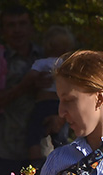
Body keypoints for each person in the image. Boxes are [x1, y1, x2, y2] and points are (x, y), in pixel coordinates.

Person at [0, 4, 44, 175]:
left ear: (31, 27)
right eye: (11, 25)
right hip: (7, 151)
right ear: (3, 30)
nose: (17, 30)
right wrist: (23, 87)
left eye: (22, 24)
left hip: (43, 149)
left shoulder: (45, 56)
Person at [24, 25, 75, 164]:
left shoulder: (42, 63)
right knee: (60, 137)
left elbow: (29, 78)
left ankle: (35, 162)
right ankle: (64, 162)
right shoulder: (66, 66)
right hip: (60, 105)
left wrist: (37, 80)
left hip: (42, 103)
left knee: (34, 132)